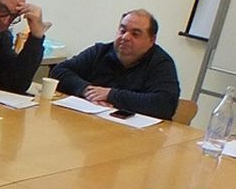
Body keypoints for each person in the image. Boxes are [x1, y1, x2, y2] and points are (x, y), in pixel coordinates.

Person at [51, 10, 181, 119]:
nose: (125, 37)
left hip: (136, 136)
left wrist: (111, 95)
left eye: (135, 34)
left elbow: (165, 104)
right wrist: (86, 90)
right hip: (90, 123)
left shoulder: (161, 63)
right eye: (122, 30)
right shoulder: (100, 51)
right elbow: (59, 71)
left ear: (152, 39)